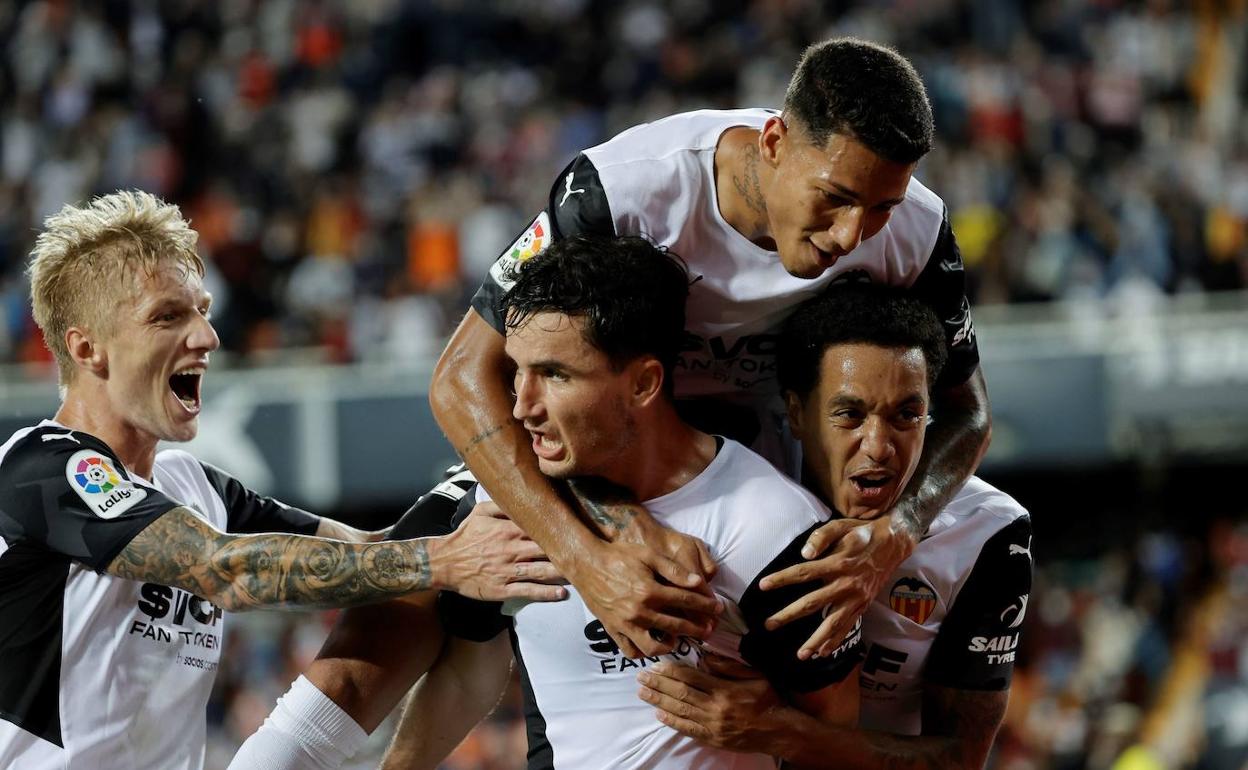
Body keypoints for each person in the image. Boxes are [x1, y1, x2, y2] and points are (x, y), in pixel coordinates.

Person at [431, 36, 992, 662]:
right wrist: (589, 552)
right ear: (774, 142)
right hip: (606, 462)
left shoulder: (920, 228)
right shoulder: (624, 190)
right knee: (416, 621)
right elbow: (460, 378)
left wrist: (897, 532)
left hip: (765, 479)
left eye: (881, 208)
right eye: (835, 198)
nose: (851, 235)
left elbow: (967, 412)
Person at [231, 234, 867, 769]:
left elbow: (836, 735)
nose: (519, 407)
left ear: (644, 382)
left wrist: (776, 730)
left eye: (555, 375)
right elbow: (461, 667)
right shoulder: (496, 502)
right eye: (514, 372)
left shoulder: (776, 530)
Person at [0, 190, 564, 770]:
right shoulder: (42, 468)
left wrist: (470, 502)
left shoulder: (191, 485)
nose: (206, 337)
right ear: (87, 347)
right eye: (167, 317)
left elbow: (371, 555)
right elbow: (228, 571)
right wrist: (446, 560)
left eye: (203, 311)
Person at [637, 285, 1033, 769]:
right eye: (850, 414)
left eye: (907, 415)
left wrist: (781, 732)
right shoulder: (743, 481)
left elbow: (960, 760)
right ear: (797, 414)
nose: (878, 447)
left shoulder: (986, 532)